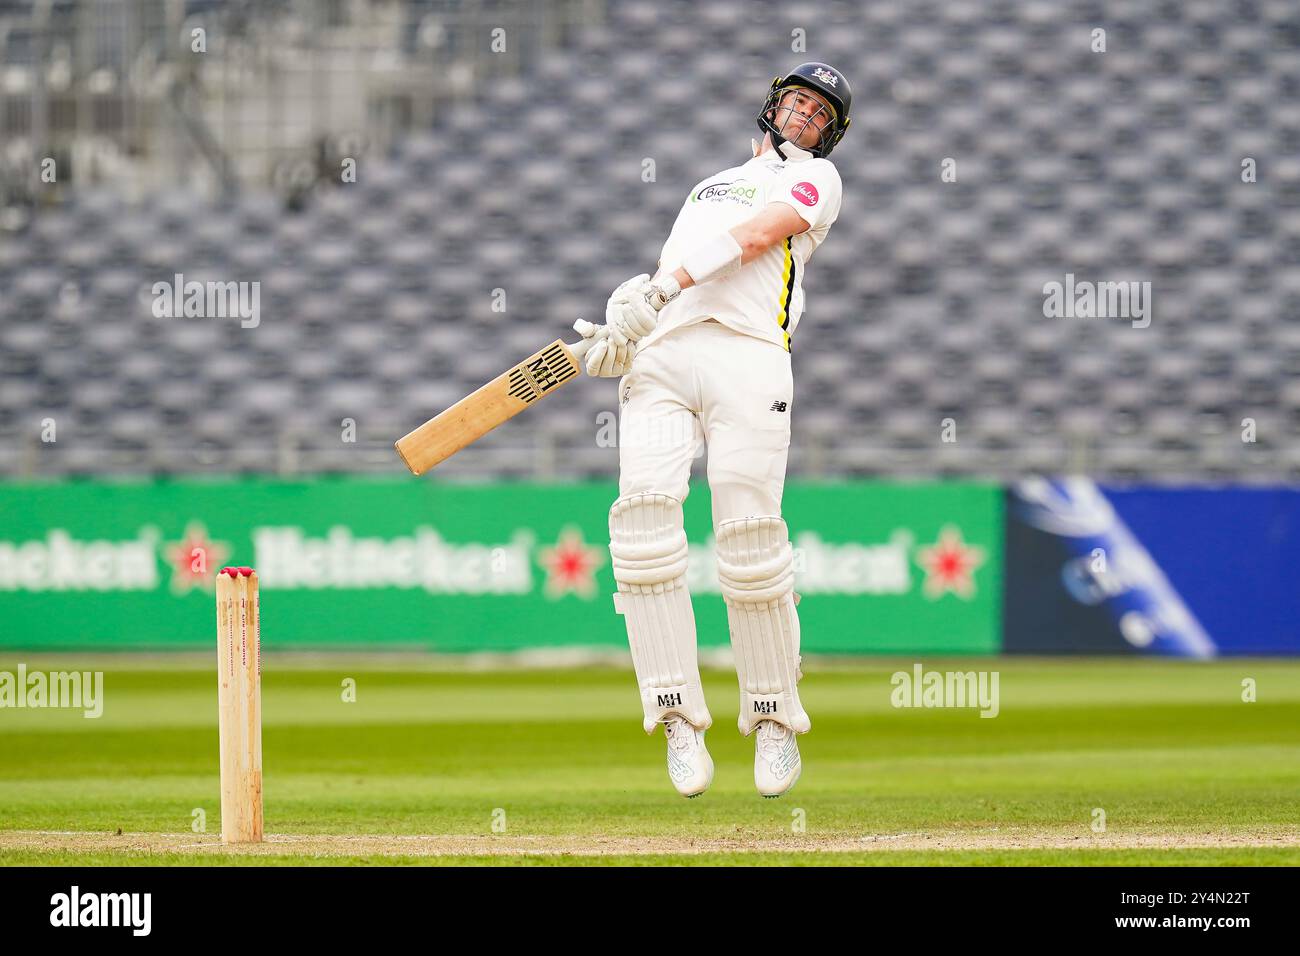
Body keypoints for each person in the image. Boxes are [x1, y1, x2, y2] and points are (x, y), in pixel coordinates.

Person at [575, 62, 851, 798]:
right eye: (796, 102)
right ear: (770, 105)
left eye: (819, 114)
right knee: (640, 533)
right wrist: (628, 324)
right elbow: (672, 276)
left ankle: (771, 719)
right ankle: (674, 717)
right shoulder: (705, 185)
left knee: (750, 539)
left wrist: (663, 286)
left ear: (830, 134)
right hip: (664, 359)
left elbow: (761, 234)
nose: (804, 116)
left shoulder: (819, 181)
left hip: (749, 356)